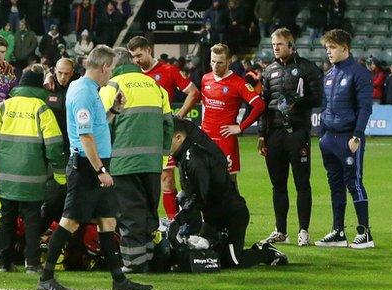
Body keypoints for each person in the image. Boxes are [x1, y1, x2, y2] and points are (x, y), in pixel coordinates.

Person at [36, 45, 152, 290]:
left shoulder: (90, 90)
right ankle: (45, 278)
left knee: (107, 222)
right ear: (103, 67)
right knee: (70, 222)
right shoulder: (83, 93)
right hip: (87, 168)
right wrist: (100, 170)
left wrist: (113, 111)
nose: (111, 74)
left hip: (96, 165)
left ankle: (119, 281)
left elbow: (96, 127)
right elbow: (85, 136)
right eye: (111, 69)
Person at [0, 64, 66, 274]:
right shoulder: (42, 109)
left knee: (7, 218)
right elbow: (54, 145)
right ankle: (32, 263)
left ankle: (4, 262)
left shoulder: (3, 107)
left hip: (6, 176)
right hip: (33, 177)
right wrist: (60, 175)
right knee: (33, 219)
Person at [168, 117, 288, 268]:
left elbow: (199, 198)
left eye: (167, 137)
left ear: (179, 138)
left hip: (232, 217)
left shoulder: (194, 159)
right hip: (214, 218)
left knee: (234, 262)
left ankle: (266, 252)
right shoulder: (185, 156)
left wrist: (179, 220)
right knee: (210, 258)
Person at [97, 47, 173, 272]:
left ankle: (133, 263)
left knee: (129, 214)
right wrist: (162, 157)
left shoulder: (111, 87)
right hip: (152, 163)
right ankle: (148, 257)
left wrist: (102, 163)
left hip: (122, 163)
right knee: (150, 211)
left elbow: (101, 128)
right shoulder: (156, 87)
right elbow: (168, 125)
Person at [258, 28, 323, 247]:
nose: (276, 48)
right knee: (278, 185)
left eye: (280, 44)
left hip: (297, 132)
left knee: (302, 183)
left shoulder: (307, 68)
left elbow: (318, 98)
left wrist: (298, 100)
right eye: (273, 45)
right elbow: (263, 106)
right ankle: (281, 231)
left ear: (291, 45)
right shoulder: (268, 72)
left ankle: (303, 230)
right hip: (274, 134)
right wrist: (261, 135)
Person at [127, 35, 200, 220]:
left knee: (167, 180)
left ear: (148, 50)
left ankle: (172, 223)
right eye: (133, 57)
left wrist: (179, 116)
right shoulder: (131, 75)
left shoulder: (168, 70)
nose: (136, 60)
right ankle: (145, 222)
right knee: (140, 180)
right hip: (137, 135)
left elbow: (194, 93)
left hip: (161, 134)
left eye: (139, 55)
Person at [316, 29, 374, 250]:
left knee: (354, 183)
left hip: (349, 138)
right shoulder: (329, 74)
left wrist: (357, 135)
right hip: (329, 139)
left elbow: (365, 108)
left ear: (344, 48)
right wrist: (322, 134)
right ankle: (338, 232)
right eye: (327, 48)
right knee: (335, 185)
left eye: (332, 47)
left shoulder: (359, 73)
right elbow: (325, 106)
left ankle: (365, 232)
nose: (328, 52)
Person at [200, 44, 267, 182]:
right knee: (205, 182)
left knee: (229, 184)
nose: (215, 66)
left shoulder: (239, 83)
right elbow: (205, 104)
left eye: (220, 62)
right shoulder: (206, 78)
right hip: (206, 138)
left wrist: (241, 127)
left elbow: (259, 106)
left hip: (225, 138)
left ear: (229, 61)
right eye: (213, 61)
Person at [42, 57, 76, 225]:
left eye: (67, 74)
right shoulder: (46, 88)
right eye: (59, 73)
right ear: (54, 71)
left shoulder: (79, 87)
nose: (63, 77)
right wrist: (46, 75)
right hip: (50, 149)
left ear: (73, 73)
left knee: (70, 190)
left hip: (72, 148)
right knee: (51, 189)